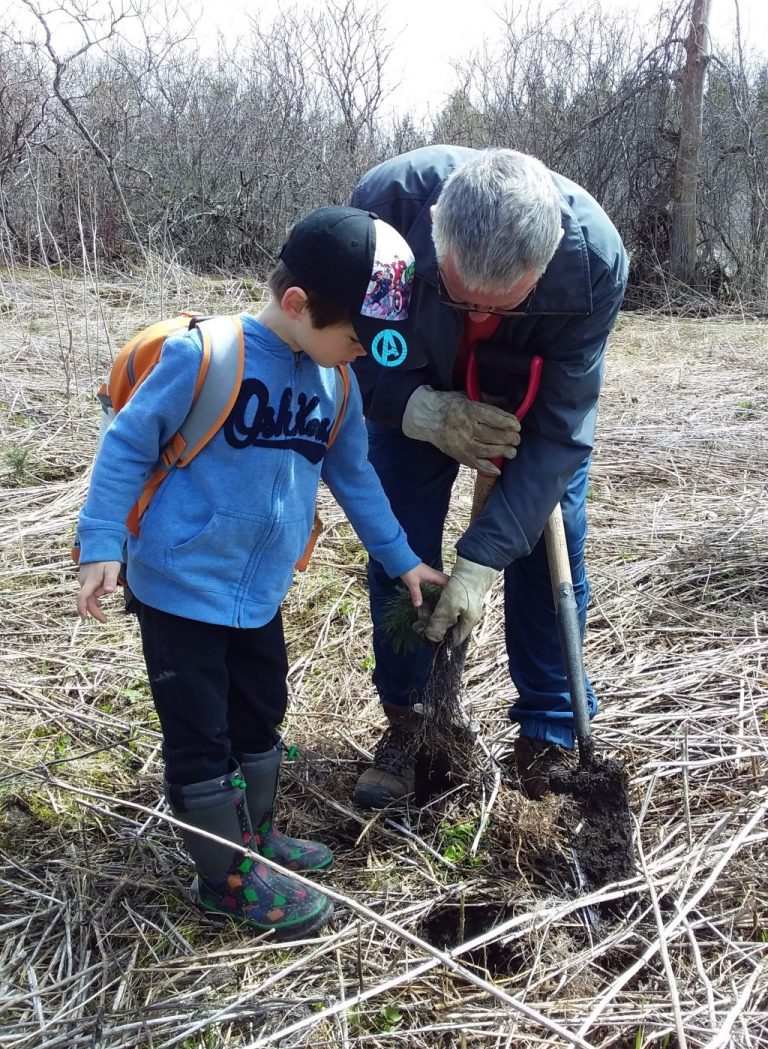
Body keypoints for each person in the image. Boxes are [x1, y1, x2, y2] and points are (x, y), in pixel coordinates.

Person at [75, 206, 448, 939]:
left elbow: (355, 476)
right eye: (356, 338)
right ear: (298, 303)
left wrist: (400, 556)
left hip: (259, 594)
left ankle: (256, 836)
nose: (363, 353)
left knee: (261, 710)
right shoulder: (205, 356)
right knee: (200, 733)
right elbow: (127, 445)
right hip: (179, 587)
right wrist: (101, 542)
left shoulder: (337, 385)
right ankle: (224, 878)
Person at [349, 146, 628, 809]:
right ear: (435, 229)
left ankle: (549, 733)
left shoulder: (591, 262)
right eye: (459, 296)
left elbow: (561, 432)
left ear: (546, 260)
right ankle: (413, 720)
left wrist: (479, 564)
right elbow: (349, 342)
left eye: (503, 304)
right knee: (400, 539)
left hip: (528, 407)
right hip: (414, 384)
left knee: (548, 542)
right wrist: (413, 407)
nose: (478, 315)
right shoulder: (385, 219)